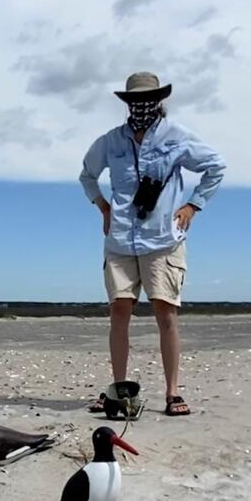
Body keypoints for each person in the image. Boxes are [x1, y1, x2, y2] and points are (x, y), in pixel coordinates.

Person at [79, 71, 226, 417]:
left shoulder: (176, 137)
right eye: (134, 101)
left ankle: (173, 393)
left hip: (163, 239)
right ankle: (118, 390)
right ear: (127, 103)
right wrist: (102, 206)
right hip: (120, 240)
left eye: (148, 99)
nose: (141, 106)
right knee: (119, 311)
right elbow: (87, 174)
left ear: (160, 100)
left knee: (165, 312)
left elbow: (215, 166)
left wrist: (193, 204)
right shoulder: (111, 141)